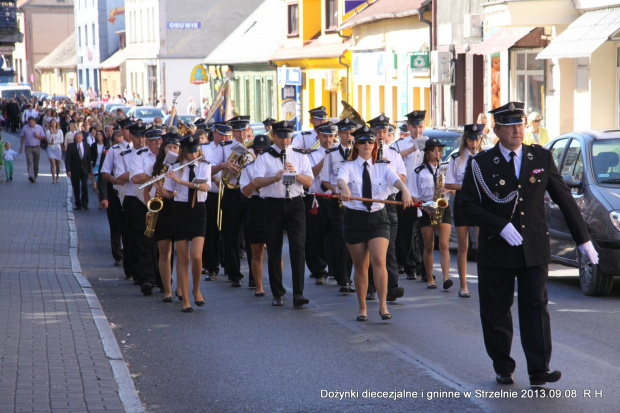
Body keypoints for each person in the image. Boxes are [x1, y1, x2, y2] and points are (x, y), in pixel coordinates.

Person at [459, 101, 599, 386]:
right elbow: (466, 207)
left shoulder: (540, 158)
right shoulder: (481, 164)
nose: (517, 130)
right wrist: (499, 226)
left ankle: (539, 369)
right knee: (497, 309)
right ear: (497, 129)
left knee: (536, 307)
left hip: (532, 247)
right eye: (509, 125)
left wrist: (584, 240)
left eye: (519, 123)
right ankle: (503, 365)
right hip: (496, 248)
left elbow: (564, 199)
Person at [337, 126, 413, 321]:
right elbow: (341, 179)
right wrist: (344, 188)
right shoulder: (348, 165)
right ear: (356, 144)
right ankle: (362, 308)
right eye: (363, 142)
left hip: (378, 218)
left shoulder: (383, 166)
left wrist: (404, 190)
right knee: (361, 266)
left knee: (379, 260)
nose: (367, 145)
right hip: (354, 218)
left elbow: (395, 180)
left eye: (370, 142)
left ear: (375, 145)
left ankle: (383, 305)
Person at [253, 120, 314, 308]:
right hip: (273, 204)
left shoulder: (299, 155)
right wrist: (274, 177)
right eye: (281, 137)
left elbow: (309, 182)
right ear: (274, 136)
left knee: (298, 247)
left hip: (295, 203)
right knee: (274, 248)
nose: (285, 141)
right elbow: (256, 181)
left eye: (288, 137)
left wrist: (295, 174)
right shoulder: (264, 156)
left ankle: (298, 294)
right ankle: (278, 293)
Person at [162, 134, 211, 312]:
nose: (192, 155)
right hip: (180, 211)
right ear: (183, 151)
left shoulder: (205, 165)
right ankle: (186, 300)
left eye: (195, 150)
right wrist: (159, 185)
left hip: (198, 210)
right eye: (189, 152)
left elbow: (205, 187)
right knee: (184, 258)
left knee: (197, 256)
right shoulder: (175, 167)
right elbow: (168, 194)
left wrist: (180, 181)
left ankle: (196, 289)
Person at [367, 115, 407, 302]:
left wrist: (388, 167)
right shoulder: (364, 151)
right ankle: (370, 286)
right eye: (377, 131)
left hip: (389, 201)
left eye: (384, 131)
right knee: (371, 247)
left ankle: (392, 286)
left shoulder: (394, 154)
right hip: (371, 202)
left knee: (389, 245)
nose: (381, 135)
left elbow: (403, 179)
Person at [210, 117, 253, 288]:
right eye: (238, 131)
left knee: (251, 236)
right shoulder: (224, 147)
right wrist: (223, 166)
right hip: (232, 192)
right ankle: (235, 274)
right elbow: (210, 169)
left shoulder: (255, 146)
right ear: (233, 132)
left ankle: (254, 277)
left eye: (244, 130)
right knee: (232, 235)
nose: (241, 134)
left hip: (249, 193)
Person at [444, 124, 484, 297]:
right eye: (470, 139)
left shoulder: (485, 157)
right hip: (463, 200)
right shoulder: (456, 158)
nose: (473, 143)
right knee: (463, 246)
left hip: (480, 201)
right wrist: (466, 186)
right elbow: (448, 184)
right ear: (465, 140)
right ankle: (463, 285)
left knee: (482, 245)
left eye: (476, 139)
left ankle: (485, 281)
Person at [408, 138, 453, 290]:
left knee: (444, 245)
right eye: (433, 151)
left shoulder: (446, 168)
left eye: (439, 151)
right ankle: (429, 278)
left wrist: (448, 189)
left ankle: (446, 278)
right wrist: (424, 206)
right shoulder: (418, 171)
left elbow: (454, 189)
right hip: (427, 208)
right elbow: (413, 194)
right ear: (426, 153)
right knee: (428, 246)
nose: (437, 154)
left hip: (443, 207)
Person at [144, 132, 181, 302]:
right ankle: (167, 290)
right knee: (164, 252)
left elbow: (176, 193)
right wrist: (150, 207)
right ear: (163, 149)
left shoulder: (183, 166)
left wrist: (165, 185)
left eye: (175, 147)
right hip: (162, 211)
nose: (172, 150)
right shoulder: (157, 167)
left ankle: (180, 288)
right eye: (169, 147)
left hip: (179, 208)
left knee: (181, 253)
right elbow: (146, 190)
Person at [320, 118, 356, 290]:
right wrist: (337, 191)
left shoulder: (359, 152)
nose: (348, 136)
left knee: (353, 240)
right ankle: (344, 278)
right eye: (345, 133)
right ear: (339, 135)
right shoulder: (331, 154)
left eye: (351, 133)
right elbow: (325, 180)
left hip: (356, 203)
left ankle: (351, 275)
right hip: (337, 202)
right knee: (341, 239)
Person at [392, 110, 428, 280]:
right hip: (405, 192)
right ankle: (409, 265)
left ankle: (422, 265)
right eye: (414, 127)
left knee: (422, 230)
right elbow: (393, 159)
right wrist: (413, 148)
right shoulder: (400, 144)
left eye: (420, 126)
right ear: (409, 127)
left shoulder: (428, 142)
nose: (417, 130)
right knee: (406, 230)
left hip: (422, 192)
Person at [128, 126, 163, 295]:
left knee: (163, 244)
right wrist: (153, 177)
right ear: (148, 142)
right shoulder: (139, 156)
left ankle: (163, 280)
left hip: (163, 203)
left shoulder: (168, 156)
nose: (158, 143)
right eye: (155, 141)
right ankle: (147, 279)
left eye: (159, 140)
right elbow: (135, 177)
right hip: (144, 204)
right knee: (144, 243)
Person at [239, 134, 273, 296]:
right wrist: (255, 180)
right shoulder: (249, 168)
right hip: (255, 205)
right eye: (258, 151)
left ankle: (276, 285)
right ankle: (258, 286)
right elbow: (246, 193)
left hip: (271, 204)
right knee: (256, 251)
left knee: (275, 250)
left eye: (264, 151)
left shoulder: (274, 165)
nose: (261, 154)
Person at [200, 122, 229, 280]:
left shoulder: (230, 147)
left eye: (226, 135)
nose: (224, 138)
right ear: (214, 133)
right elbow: (203, 169)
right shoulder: (205, 149)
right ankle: (211, 266)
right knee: (211, 231)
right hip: (211, 193)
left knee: (228, 231)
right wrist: (216, 174)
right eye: (221, 134)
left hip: (228, 193)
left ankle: (228, 265)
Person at [99, 128, 127, 268]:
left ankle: (128, 253)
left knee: (127, 226)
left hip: (128, 191)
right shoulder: (112, 151)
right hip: (114, 191)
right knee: (115, 226)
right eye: (117, 141)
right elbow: (104, 175)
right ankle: (118, 255)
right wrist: (104, 197)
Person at [65, 132, 92, 210]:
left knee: (84, 186)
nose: (78, 139)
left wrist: (89, 171)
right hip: (74, 170)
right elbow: (68, 159)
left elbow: (88, 159)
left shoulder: (87, 146)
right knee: (76, 187)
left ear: (82, 138)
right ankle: (78, 204)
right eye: (76, 138)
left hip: (84, 170)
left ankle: (85, 203)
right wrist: (68, 170)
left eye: (79, 137)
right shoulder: (71, 146)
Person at [20, 117, 46, 182]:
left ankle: (35, 175)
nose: (30, 123)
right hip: (28, 147)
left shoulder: (39, 127)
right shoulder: (25, 128)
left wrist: (37, 136)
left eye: (31, 122)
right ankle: (31, 176)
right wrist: (21, 146)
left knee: (36, 162)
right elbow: (22, 137)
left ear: (34, 121)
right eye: (29, 122)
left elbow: (43, 137)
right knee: (29, 160)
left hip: (37, 147)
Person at [45, 118, 64, 184]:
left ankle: (57, 176)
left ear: (56, 124)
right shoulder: (48, 131)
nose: (53, 124)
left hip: (57, 148)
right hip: (50, 148)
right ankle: (53, 178)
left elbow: (61, 140)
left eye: (54, 122)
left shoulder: (60, 131)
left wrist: (54, 142)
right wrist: (51, 133)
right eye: (52, 123)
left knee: (58, 164)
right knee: (52, 164)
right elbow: (49, 140)